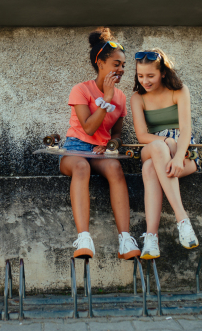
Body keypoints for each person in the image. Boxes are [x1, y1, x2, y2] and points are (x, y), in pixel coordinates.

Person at [60, 27, 141, 260]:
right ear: (101, 63)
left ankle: (125, 240)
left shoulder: (122, 97)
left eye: (124, 65)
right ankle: (84, 239)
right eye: (116, 64)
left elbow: (117, 133)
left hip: (100, 153)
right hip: (75, 149)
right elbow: (87, 128)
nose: (121, 70)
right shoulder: (82, 89)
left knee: (116, 168)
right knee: (81, 167)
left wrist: (111, 145)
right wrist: (105, 98)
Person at [130, 49, 200, 260]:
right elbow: (142, 135)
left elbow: (186, 129)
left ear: (162, 73)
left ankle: (151, 239)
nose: (145, 81)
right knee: (159, 149)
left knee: (150, 168)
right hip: (152, 146)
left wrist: (178, 156)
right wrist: (165, 141)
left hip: (183, 151)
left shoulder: (179, 91)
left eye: (150, 76)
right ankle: (182, 220)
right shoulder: (137, 98)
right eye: (141, 76)